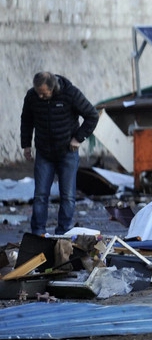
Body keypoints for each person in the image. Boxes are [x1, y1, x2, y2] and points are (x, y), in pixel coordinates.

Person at [19, 72, 99, 236]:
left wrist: (78, 138)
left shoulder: (71, 94)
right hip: (44, 153)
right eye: (38, 92)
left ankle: (63, 232)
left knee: (68, 196)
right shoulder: (32, 96)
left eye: (43, 93)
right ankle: (38, 233)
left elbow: (92, 115)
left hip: (67, 153)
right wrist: (26, 145)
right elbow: (26, 120)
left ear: (53, 88)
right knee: (40, 195)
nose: (40, 96)